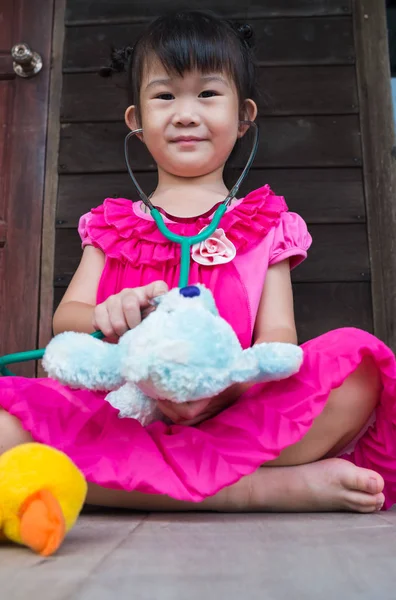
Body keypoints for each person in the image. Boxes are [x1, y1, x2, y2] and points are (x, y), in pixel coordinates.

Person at [0, 9, 395, 514]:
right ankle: (262, 488)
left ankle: (130, 482)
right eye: (164, 96)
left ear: (244, 116)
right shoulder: (110, 224)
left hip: (229, 411)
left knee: (358, 367)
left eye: (207, 94)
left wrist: (227, 386)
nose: (185, 114)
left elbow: (279, 338)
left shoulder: (265, 222)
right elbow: (67, 319)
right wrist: (109, 313)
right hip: (123, 413)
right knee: (8, 426)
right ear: (136, 123)